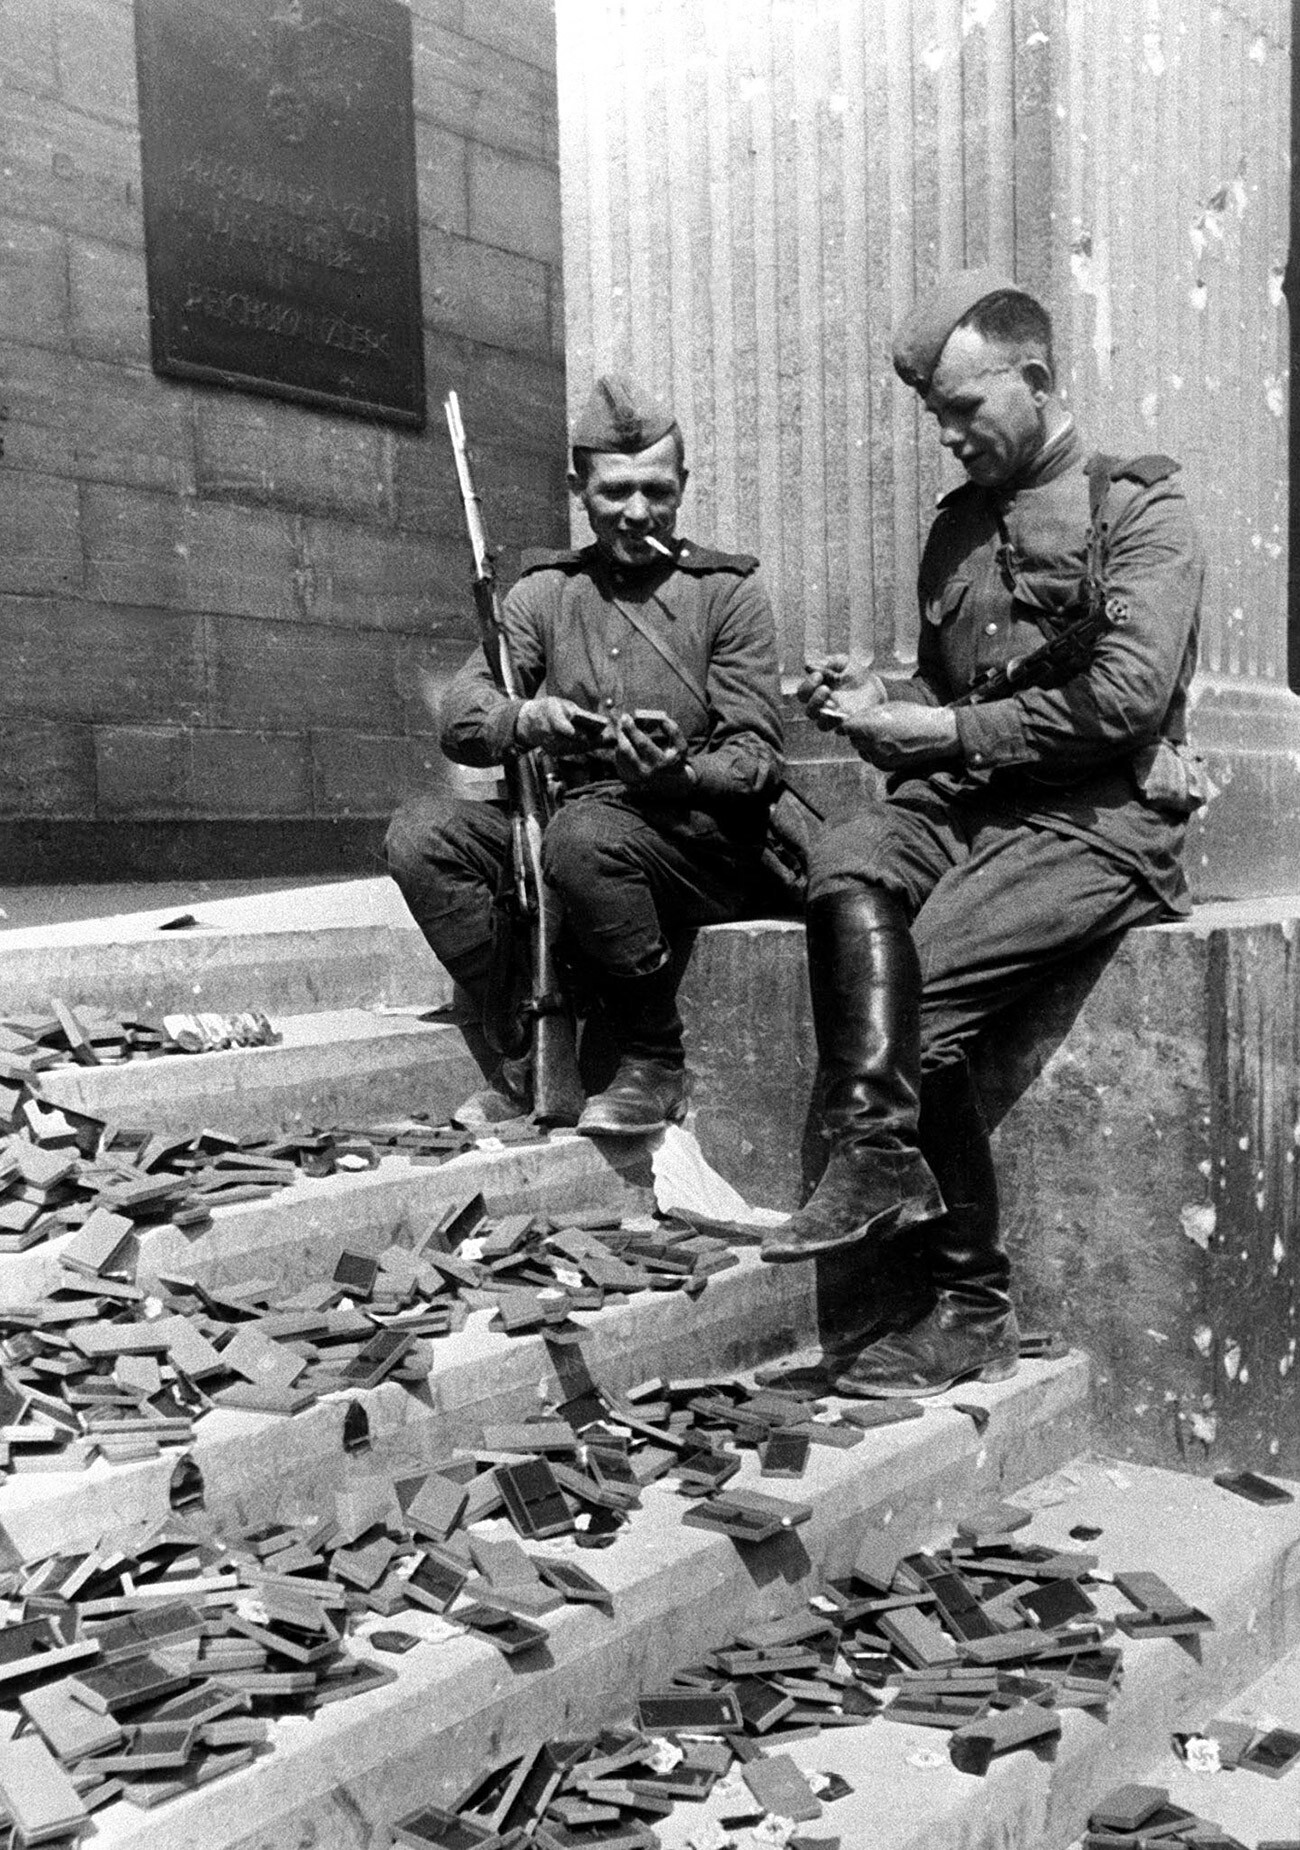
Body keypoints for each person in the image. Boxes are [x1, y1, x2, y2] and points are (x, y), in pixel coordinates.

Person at [760, 269, 1205, 1399]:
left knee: (932, 989)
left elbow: (1123, 700)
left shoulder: (1135, 510)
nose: (950, 437)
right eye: (936, 417)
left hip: (1093, 821)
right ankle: (873, 1149)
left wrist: (945, 724)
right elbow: (942, 685)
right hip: (968, 806)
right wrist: (869, 704)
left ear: (1037, 376)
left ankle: (970, 1303)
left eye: (965, 409)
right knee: (844, 853)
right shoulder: (957, 530)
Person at [386, 374, 784, 1137]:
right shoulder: (546, 594)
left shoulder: (726, 595)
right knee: (421, 835)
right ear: (580, 489)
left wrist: (681, 771)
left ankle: (653, 1059)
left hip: (690, 840)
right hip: (570, 827)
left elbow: (757, 756)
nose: (639, 512)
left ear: (683, 486)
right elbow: (463, 715)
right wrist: (527, 716)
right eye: (615, 492)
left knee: (586, 838)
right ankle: (539, 1033)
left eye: (658, 490)